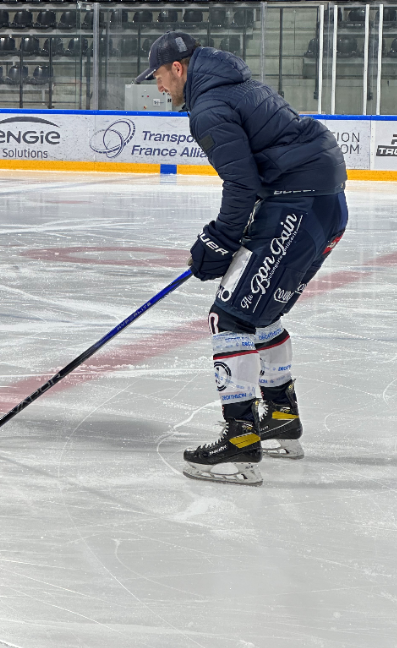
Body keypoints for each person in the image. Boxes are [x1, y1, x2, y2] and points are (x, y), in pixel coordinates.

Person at [135, 32, 347, 486]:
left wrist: (218, 240)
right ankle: (282, 419)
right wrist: (224, 240)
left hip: (298, 202)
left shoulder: (209, 107)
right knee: (261, 313)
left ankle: (240, 442)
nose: (157, 88)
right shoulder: (234, 85)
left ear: (179, 68)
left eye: (157, 76)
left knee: (228, 318)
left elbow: (241, 185)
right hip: (321, 201)